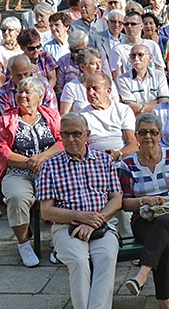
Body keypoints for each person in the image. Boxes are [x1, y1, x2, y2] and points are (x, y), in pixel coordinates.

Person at [37, 112, 122, 309]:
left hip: (103, 224)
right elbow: (47, 212)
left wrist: (94, 221)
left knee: (106, 259)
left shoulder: (104, 161)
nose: (71, 139)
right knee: (79, 262)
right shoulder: (50, 166)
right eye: (65, 134)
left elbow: (116, 199)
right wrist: (81, 217)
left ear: (87, 135)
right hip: (65, 227)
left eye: (76, 134)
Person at [117, 112, 169, 306]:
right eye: (143, 132)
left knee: (164, 222)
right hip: (144, 218)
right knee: (165, 243)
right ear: (136, 135)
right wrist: (144, 200)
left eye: (153, 132)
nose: (148, 137)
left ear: (160, 135)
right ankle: (164, 302)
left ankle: (141, 275)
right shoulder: (127, 165)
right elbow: (125, 203)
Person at [0, 76, 64, 267]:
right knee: (16, 197)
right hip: (17, 171)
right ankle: (24, 245)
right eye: (19, 91)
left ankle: (59, 244)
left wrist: (41, 157)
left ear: (39, 96)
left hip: (50, 170)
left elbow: (63, 142)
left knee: (66, 193)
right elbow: (1, 150)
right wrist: (29, 162)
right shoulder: (7, 118)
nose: (22, 95)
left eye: (27, 92)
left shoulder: (52, 116)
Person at [60, 47, 119, 115]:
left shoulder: (109, 83)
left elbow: (116, 109)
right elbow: (64, 115)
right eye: (93, 63)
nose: (98, 67)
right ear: (82, 67)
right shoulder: (71, 87)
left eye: (99, 62)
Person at [117, 44, 169, 117]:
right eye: (133, 55)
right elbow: (131, 106)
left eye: (140, 55)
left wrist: (142, 108)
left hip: (158, 117)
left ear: (150, 58)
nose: (136, 58)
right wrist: (156, 103)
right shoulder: (123, 79)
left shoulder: (159, 75)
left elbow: (164, 102)